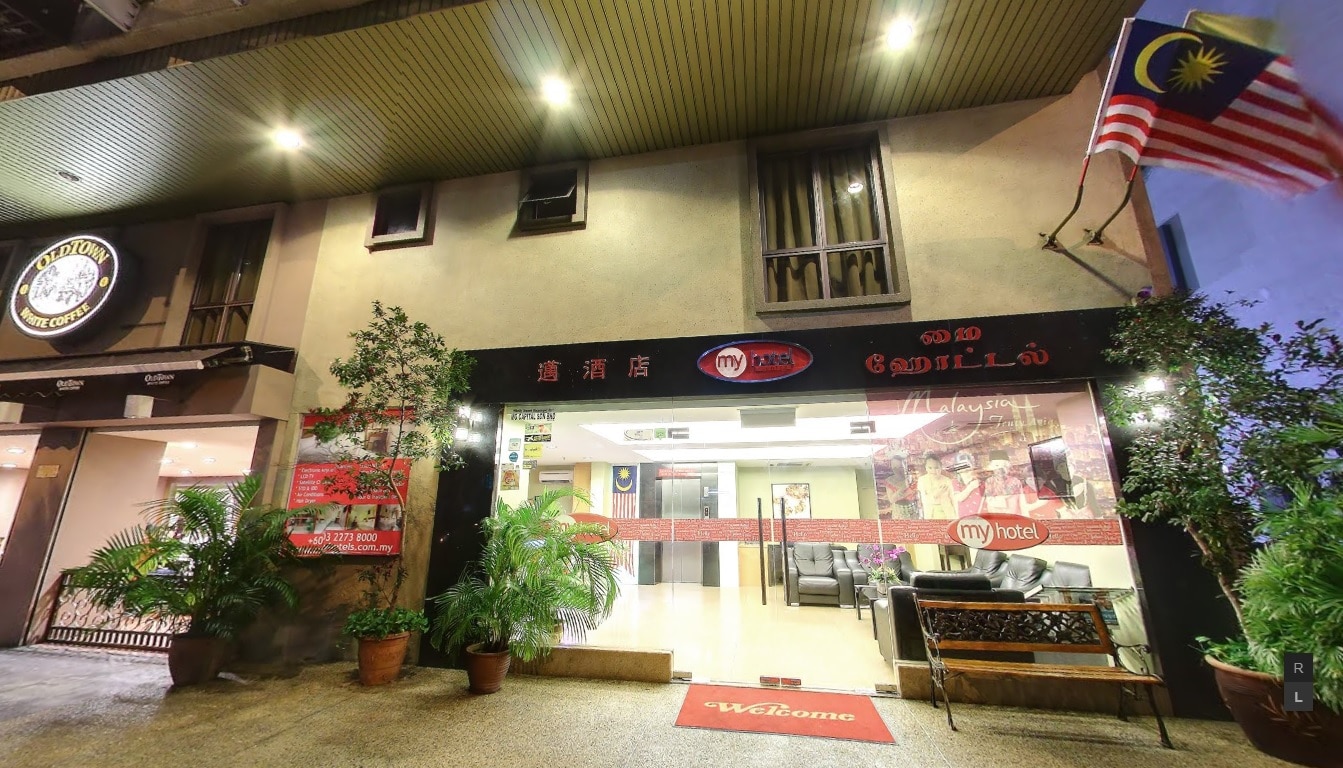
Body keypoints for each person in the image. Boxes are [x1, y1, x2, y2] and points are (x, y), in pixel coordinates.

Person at [916, 453, 957, 519]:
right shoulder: (922, 480)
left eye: (936, 468)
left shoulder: (947, 480)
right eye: (930, 468)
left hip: (947, 513)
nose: (933, 471)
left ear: (941, 467)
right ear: (926, 468)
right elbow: (923, 500)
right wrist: (936, 494)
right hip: (930, 514)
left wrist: (956, 516)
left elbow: (954, 500)